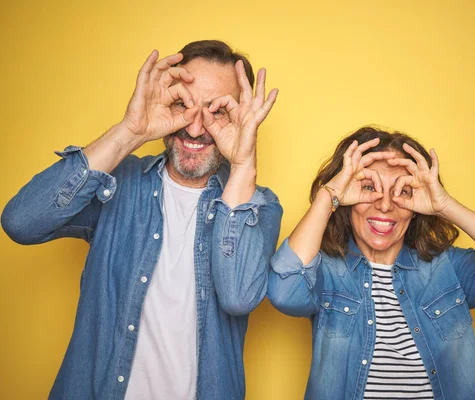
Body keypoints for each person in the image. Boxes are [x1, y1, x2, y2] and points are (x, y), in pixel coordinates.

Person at [2, 40, 282, 400]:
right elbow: (21, 222)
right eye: (183, 104)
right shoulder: (118, 183)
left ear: (242, 117)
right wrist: (130, 131)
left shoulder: (258, 205)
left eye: (218, 111)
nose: (195, 128)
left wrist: (243, 165)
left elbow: (238, 297)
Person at [268, 126, 475, 400]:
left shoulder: (446, 269)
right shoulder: (326, 271)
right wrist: (328, 197)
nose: (385, 205)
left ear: (416, 208)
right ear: (347, 200)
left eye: (402, 191)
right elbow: (284, 292)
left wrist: (445, 205)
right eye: (369, 187)